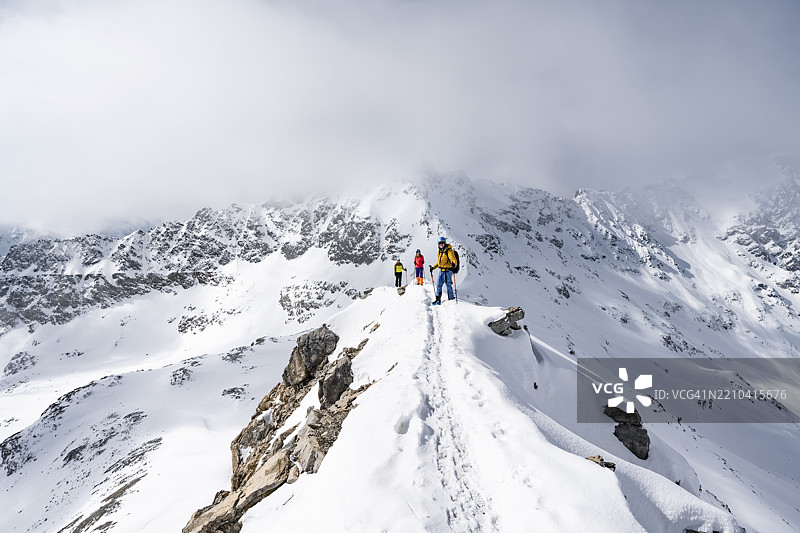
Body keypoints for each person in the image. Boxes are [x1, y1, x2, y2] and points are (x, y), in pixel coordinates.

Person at [429, 237, 457, 304]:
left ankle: (451, 300)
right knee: (438, 285)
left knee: (448, 285)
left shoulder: (449, 251)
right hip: (441, 271)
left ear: (445, 243)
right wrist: (433, 267)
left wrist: (453, 263)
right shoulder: (439, 252)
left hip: (447, 271)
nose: (441, 244)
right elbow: (439, 262)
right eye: (440, 243)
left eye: (442, 243)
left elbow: (453, 259)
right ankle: (438, 300)